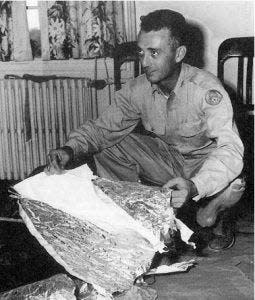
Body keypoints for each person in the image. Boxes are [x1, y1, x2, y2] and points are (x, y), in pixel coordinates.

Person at [45, 10, 245, 251]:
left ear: (179, 53)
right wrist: (70, 149)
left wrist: (195, 186)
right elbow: (102, 129)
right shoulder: (137, 89)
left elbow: (230, 148)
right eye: (142, 52)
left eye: (154, 53)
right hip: (169, 160)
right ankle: (136, 219)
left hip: (206, 163)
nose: (145, 62)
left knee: (236, 176)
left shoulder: (205, 90)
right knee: (111, 144)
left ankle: (212, 216)